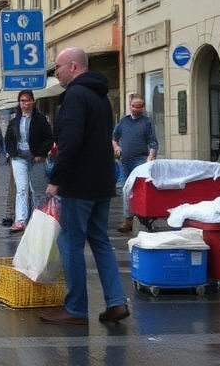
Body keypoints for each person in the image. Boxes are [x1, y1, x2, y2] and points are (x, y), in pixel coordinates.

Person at [42, 47, 129, 326]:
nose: (55, 73)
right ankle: (116, 302)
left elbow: (70, 142)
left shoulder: (75, 96)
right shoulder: (101, 96)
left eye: (58, 67)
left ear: (73, 66)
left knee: (70, 243)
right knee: (101, 242)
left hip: (78, 183)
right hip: (102, 181)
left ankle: (76, 308)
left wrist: (55, 179)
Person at [4, 90, 54, 233]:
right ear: (19, 103)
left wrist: (41, 154)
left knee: (37, 190)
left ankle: (38, 219)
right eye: (22, 101)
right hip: (19, 158)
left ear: (33, 101)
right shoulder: (15, 120)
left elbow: (49, 138)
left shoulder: (40, 119)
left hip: (36, 158)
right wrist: (12, 153)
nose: (25, 104)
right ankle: (20, 221)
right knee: (21, 189)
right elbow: (8, 139)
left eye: (27, 100)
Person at [112, 95, 158, 233]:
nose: (135, 109)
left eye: (138, 107)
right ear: (130, 106)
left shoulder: (146, 122)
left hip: (140, 161)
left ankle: (141, 218)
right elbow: (114, 138)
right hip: (124, 161)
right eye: (133, 106)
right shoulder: (124, 121)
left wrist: (151, 155)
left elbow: (153, 141)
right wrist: (116, 147)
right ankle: (128, 219)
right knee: (125, 189)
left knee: (139, 190)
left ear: (143, 107)